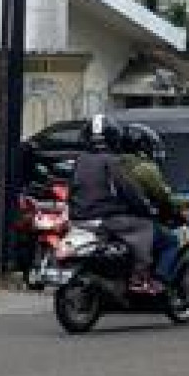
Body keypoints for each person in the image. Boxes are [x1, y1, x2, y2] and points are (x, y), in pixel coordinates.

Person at [66, 114, 161, 294]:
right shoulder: (113, 161)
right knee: (145, 227)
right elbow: (129, 190)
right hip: (104, 218)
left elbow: (70, 189)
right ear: (114, 138)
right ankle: (139, 278)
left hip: (77, 218)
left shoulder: (80, 160)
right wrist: (145, 208)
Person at [119, 123, 189, 284]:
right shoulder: (145, 168)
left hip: (110, 220)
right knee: (171, 241)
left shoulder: (113, 163)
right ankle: (159, 279)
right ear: (143, 146)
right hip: (136, 220)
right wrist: (187, 202)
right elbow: (163, 197)